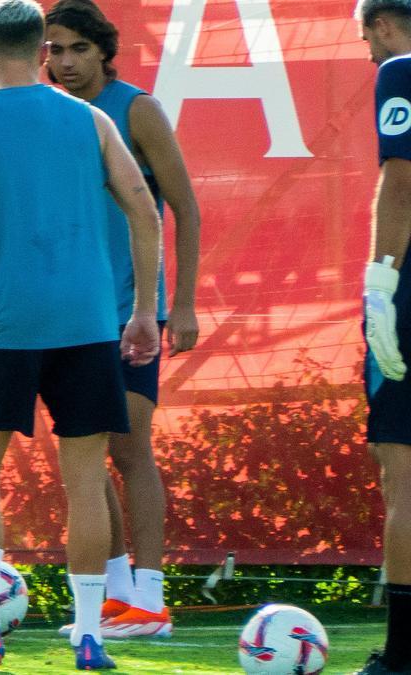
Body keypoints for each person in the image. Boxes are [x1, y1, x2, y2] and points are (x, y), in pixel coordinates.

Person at [0, 0, 161, 669]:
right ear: (41, 53)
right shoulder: (90, 119)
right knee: (86, 481)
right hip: (89, 325)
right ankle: (89, 636)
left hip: (6, 326)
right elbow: (146, 210)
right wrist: (144, 309)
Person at [44, 0, 201, 639]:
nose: (65, 61)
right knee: (85, 451)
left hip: (133, 317)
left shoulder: (138, 110)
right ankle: (114, 599)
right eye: (54, 49)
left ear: (104, 52)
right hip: (69, 318)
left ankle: (153, 602)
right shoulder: (50, 115)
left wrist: (181, 304)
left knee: (131, 450)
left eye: (77, 48)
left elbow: (185, 209)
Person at [355, 2, 411, 673]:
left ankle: (402, 653)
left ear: (385, 26)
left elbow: (401, 184)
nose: (370, 52)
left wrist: (381, 285)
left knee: (404, 474)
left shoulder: (400, 70)